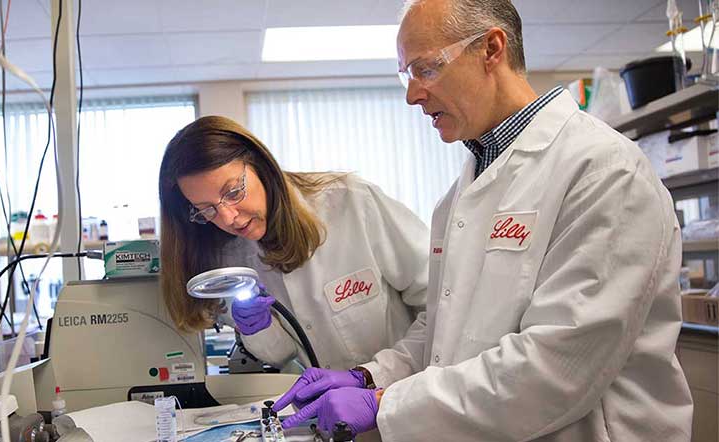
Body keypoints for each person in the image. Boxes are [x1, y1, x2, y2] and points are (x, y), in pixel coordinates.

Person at [275, 0, 694, 440]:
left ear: (492, 49)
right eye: (407, 74)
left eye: (427, 69)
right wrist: (369, 376)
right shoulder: (456, 199)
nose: (412, 94)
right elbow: (440, 335)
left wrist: (385, 404)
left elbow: (556, 367)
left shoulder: (603, 170)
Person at [158, 115, 431, 378]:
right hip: (328, 417)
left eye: (233, 192)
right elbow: (280, 354)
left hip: (409, 401)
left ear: (261, 165)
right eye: (206, 210)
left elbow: (438, 301)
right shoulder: (227, 256)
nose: (229, 218)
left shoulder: (352, 203)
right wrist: (257, 328)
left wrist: (376, 376)